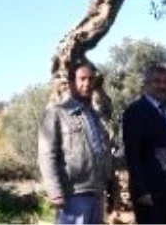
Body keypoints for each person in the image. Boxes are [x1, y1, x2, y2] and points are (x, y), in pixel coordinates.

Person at [38, 62, 117, 225]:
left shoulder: (95, 116)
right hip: (73, 194)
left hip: (97, 193)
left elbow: (104, 152)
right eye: (82, 79)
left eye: (90, 79)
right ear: (72, 83)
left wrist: (111, 187)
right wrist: (55, 192)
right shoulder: (57, 113)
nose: (87, 84)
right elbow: (46, 155)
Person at [121, 65, 166, 225]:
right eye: (156, 82)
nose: (162, 86)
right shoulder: (135, 111)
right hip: (150, 194)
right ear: (146, 84)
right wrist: (141, 191)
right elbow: (132, 154)